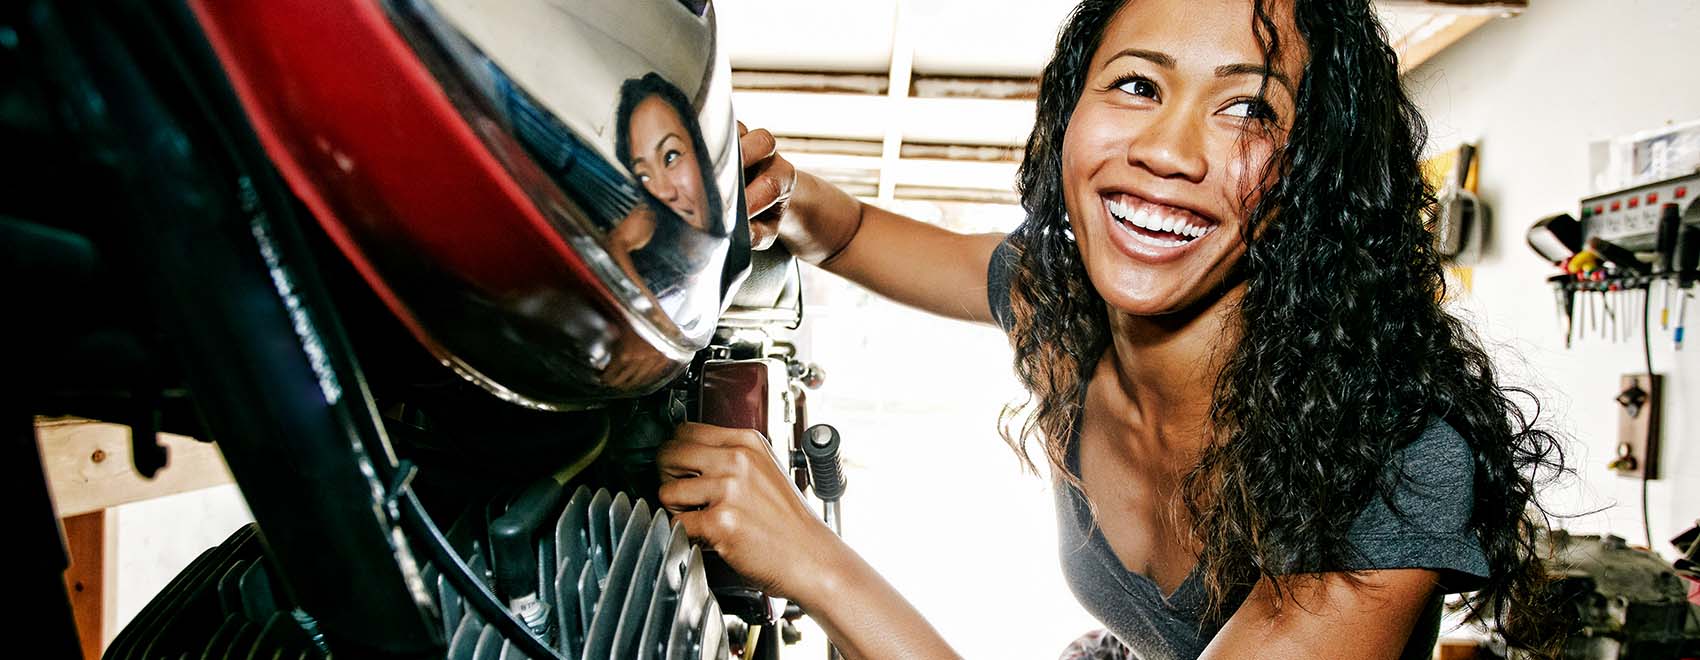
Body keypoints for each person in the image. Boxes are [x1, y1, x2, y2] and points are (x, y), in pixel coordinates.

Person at [657, 1, 1563, 658]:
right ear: (1069, 113)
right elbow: (847, 230)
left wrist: (812, 560)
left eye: (1248, 109)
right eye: (1136, 84)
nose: (1167, 151)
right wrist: (767, 189)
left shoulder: (1396, 463)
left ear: (1313, 176)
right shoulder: (1056, 308)